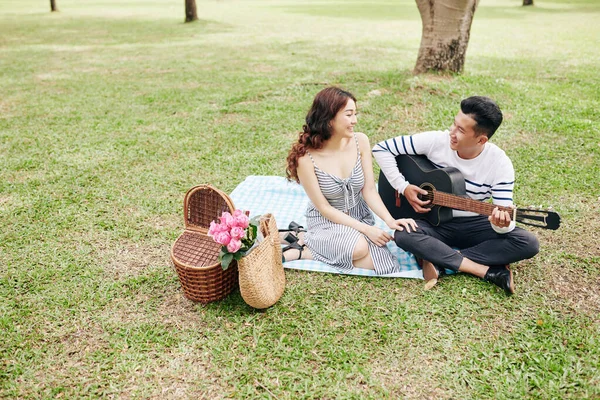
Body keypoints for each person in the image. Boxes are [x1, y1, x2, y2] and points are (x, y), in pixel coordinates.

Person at [372, 96, 539, 294]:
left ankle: (440, 260)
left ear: (481, 139)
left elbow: (503, 212)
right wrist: (404, 187)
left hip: (473, 225)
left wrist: (500, 225)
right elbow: (381, 148)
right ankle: (485, 270)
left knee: (528, 243)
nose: (452, 132)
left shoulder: (499, 164)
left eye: (461, 130)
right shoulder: (436, 141)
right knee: (403, 235)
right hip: (431, 222)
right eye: (454, 124)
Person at [283, 86, 417, 274]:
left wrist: (389, 220)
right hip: (326, 220)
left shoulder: (360, 141)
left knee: (388, 264)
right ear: (328, 118)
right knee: (361, 250)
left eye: (355, 114)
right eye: (348, 115)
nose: (354, 121)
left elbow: (369, 189)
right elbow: (324, 208)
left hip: (357, 216)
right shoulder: (306, 158)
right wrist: (366, 230)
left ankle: (300, 236)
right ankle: (305, 249)